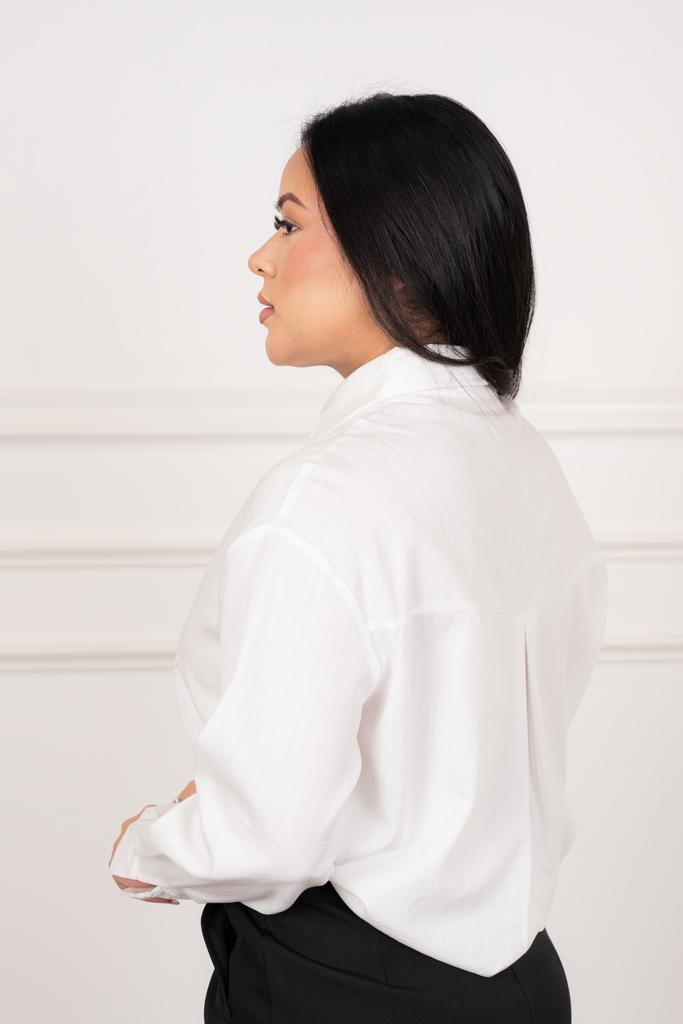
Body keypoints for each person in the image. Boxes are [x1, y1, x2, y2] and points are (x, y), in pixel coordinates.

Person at [109, 92, 607, 1023]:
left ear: (394, 249)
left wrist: (150, 848)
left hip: (341, 984)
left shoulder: (321, 498)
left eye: (288, 222)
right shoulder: (521, 458)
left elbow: (266, 837)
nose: (259, 257)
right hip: (521, 983)